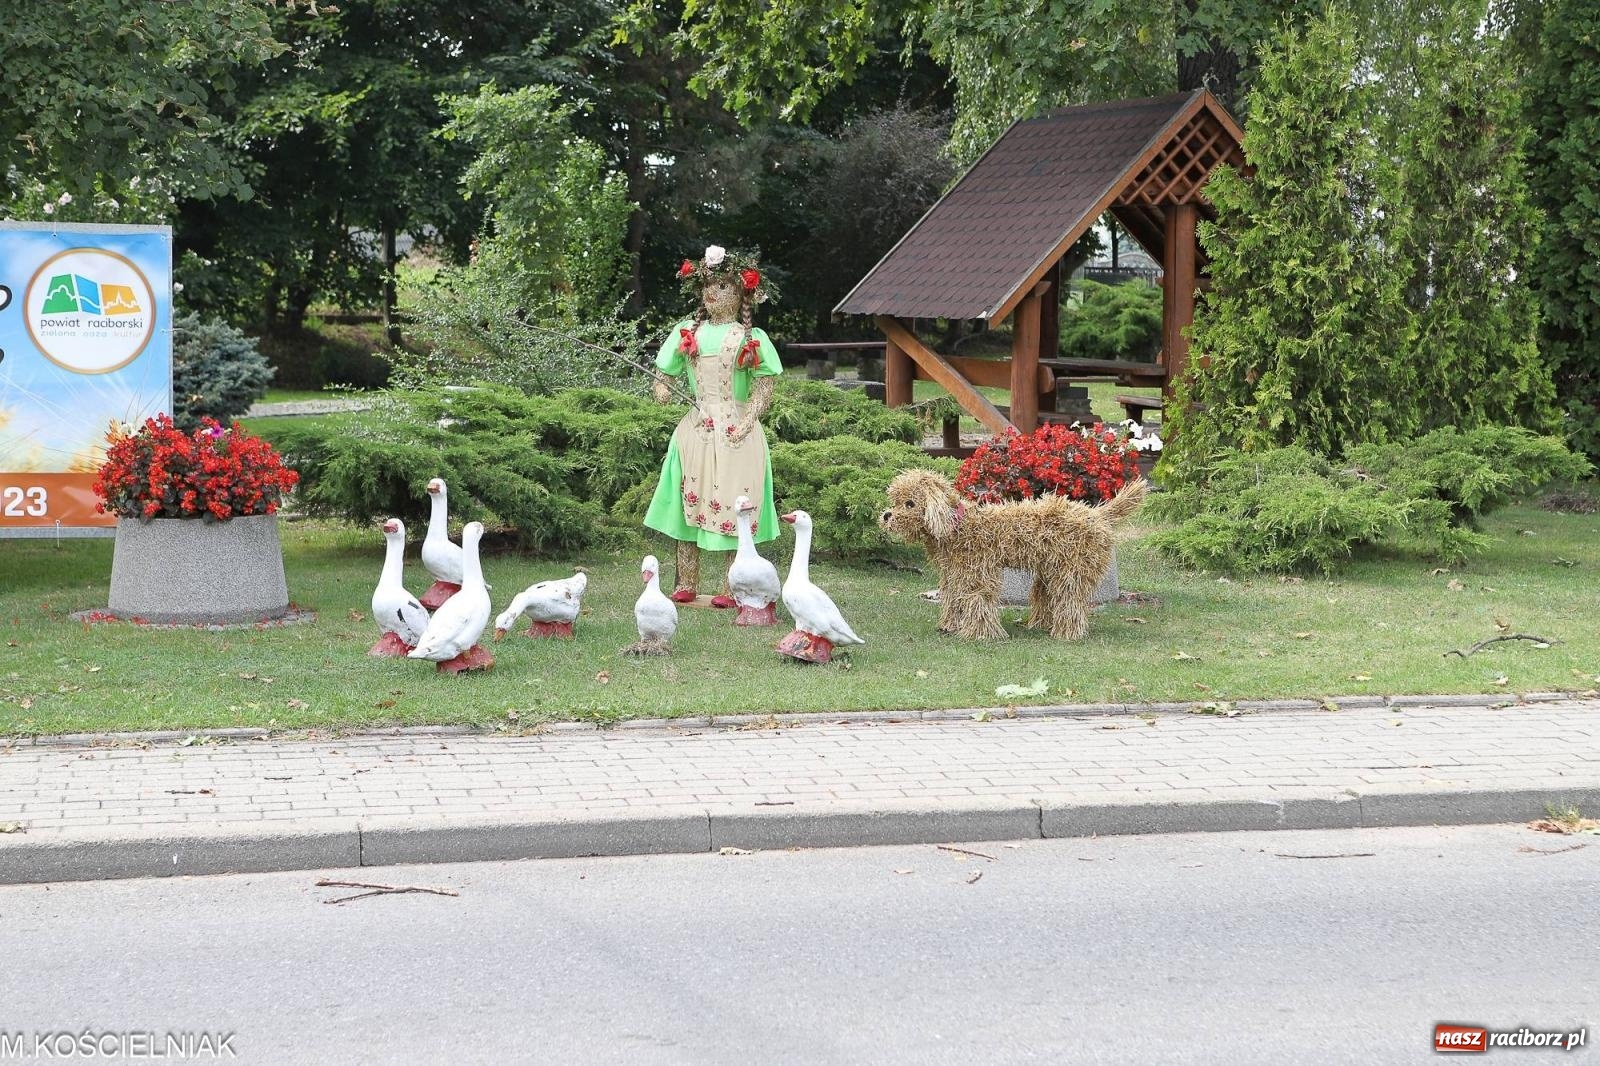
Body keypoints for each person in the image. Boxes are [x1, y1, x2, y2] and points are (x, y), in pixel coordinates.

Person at [643, 245, 782, 604]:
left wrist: (749, 419)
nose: (713, 292)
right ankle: (686, 582)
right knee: (688, 501)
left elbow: (764, 389)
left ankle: (730, 585)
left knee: (732, 502)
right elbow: (664, 375)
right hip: (696, 428)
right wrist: (663, 389)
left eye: (722, 286)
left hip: (737, 430)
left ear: (740, 292)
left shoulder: (751, 338)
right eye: (708, 285)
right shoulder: (686, 332)